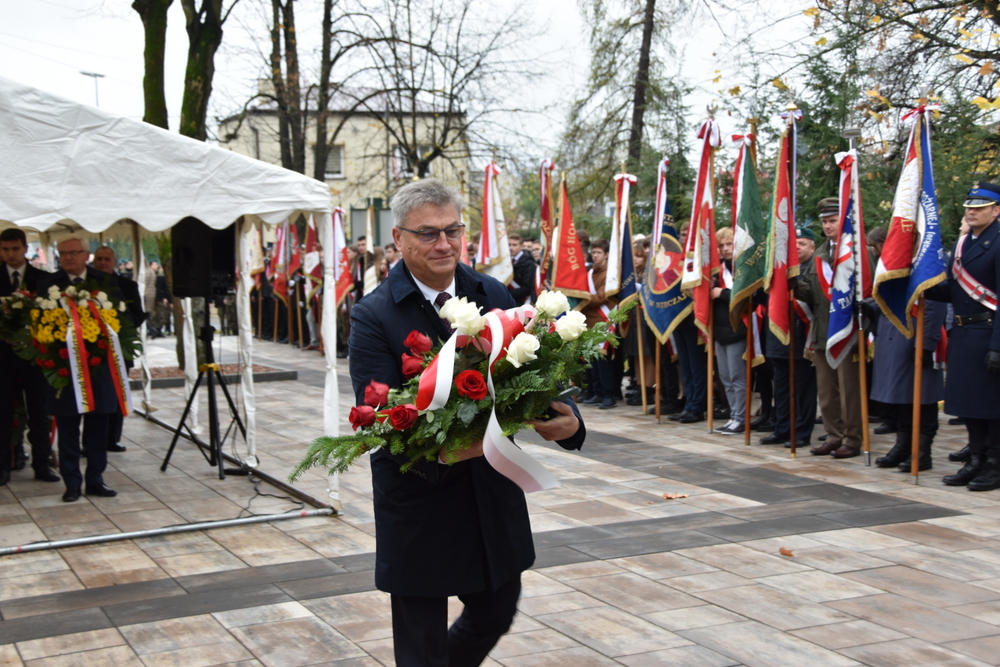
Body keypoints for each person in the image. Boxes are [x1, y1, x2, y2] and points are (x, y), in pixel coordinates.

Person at [348, 178, 585, 667]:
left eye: (452, 230)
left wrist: (569, 421)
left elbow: (535, 369)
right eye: (429, 233)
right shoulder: (373, 315)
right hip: (420, 497)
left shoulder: (490, 291)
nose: (445, 243)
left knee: (496, 612)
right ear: (399, 239)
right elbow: (383, 415)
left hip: (488, 494)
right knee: (421, 647)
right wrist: (452, 444)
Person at [926, 182, 1000, 490]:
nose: (971, 211)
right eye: (970, 206)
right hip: (964, 333)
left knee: (992, 407)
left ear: (996, 211)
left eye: (980, 207)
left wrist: (998, 346)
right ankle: (976, 460)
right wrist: (921, 283)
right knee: (970, 406)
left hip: (988, 333)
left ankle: (994, 465)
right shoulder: (964, 243)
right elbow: (952, 290)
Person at [37, 237, 123, 502]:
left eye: (73, 253)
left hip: (98, 368)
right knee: (68, 428)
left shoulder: (105, 282)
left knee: (97, 427)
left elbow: (122, 320)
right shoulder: (48, 285)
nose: (68, 258)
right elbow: (38, 327)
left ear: (86, 255)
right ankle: (72, 482)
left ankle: (95, 480)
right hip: (64, 368)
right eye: (62, 253)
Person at [796, 198, 870, 458]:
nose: (827, 225)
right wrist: (792, 279)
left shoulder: (860, 252)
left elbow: (869, 291)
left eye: (832, 220)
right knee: (827, 391)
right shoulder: (820, 254)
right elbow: (809, 294)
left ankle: (852, 438)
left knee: (849, 389)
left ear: (845, 220)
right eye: (825, 221)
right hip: (822, 331)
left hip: (849, 331)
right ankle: (834, 435)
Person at [0, 228, 59, 486]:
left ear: (26, 248)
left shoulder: (43, 279)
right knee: (2, 413)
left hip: (35, 357)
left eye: (15, 249)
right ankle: (3, 466)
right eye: (5, 249)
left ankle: (42, 464)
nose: (10, 254)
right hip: (2, 358)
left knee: (39, 411)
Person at [760, 227, 818, 448]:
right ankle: (782, 428)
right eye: (793, 243)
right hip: (778, 336)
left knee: (803, 389)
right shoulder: (779, 269)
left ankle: (802, 432)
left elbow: (816, 298)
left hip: (802, 337)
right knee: (782, 388)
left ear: (812, 247)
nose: (797, 247)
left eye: (802, 243)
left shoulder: (815, 268)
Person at [92, 246, 147, 453]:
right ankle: (89, 441)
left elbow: (139, 315)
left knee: (116, 394)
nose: (102, 262)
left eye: (107, 259)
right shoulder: (85, 285)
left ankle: (112, 439)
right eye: (99, 259)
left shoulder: (127, 285)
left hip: (118, 350)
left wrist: (120, 327)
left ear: (114, 261)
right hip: (90, 351)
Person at [711, 227, 748, 435]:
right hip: (719, 331)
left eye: (729, 244)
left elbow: (745, 294)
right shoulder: (717, 271)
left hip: (737, 329)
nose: (725, 249)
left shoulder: (742, 268)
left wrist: (722, 292)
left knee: (737, 376)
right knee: (725, 377)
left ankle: (740, 418)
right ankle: (733, 416)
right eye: (721, 245)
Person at [581, 238, 618, 409]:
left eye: (598, 253)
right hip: (590, 320)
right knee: (592, 360)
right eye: (593, 252)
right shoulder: (590, 272)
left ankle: (608, 394)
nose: (595, 256)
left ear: (607, 254)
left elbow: (601, 297)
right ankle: (597, 391)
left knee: (603, 361)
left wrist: (580, 298)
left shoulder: (609, 273)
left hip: (602, 319)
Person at [507, 233, 536, 305]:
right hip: (510, 300)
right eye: (509, 245)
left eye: (514, 245)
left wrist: (507, 293)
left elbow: (527, 288)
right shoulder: (507, 262)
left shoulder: (529, 263)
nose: (511, 248)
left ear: (522, 246)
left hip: (522, 302)